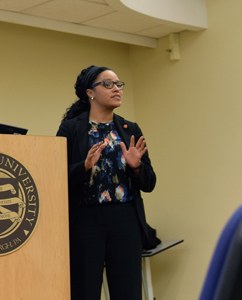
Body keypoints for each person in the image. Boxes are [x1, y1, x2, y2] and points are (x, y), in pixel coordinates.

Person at [56, 66, 156, 300]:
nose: (117, 89)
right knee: (84, 289)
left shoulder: (130, 128)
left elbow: (149, 182)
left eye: (119, 84)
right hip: (85, 221)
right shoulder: (71, 128)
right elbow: (56, 177)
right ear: (90, 92)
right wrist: (85, 166)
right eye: (108, 84)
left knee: (128, 290)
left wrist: (136, 167)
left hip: (125, 219)